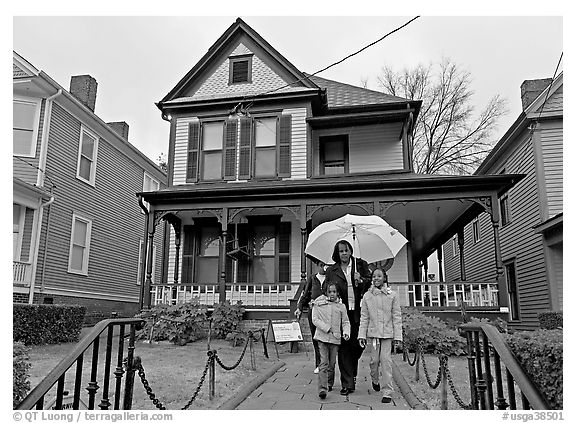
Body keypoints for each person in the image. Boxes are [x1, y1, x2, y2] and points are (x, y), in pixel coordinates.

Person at [324, 239, 371, 395]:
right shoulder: (332, 270)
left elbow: (372, 283)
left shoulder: (360, 265)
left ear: (351, 251)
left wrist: (361, 280)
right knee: (344, 348)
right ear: (337, 253)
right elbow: (326, 289)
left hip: (358, 311)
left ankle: (352, 373)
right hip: (341, 313)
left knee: (357, 346)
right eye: (341, 251)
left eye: (346, 250)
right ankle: (347, 383)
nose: (344, 253)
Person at [358, 267, 403, 403]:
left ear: (384, 278)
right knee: (374, 361)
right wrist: (362, 335)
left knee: (386, 361)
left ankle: (387, 391)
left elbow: (396, 316)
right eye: (374, 276)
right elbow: (364, 317)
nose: (376, 278)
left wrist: (398, 337)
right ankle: (375, 379)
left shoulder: (392, 295)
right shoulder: (367, 296)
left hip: (388, 333)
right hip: (374, 334)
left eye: (379, 276)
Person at [311, 282, 350, 399]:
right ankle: (322, 388)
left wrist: (346, 332)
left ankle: (329, 382)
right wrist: (326, 328)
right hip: (322, 337)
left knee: (331, 363)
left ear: (337, 293)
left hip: (335, 338)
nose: (332, 294)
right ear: (326, 292)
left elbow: (345, 322)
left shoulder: (341, 307)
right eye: (330, 292)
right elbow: (315, 319)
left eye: (334, 292)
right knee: (323, 362)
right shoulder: (319, 304)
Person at [295, 259, 326, 373]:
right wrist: (299, 307)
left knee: (325, 338)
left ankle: (325, 362)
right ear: (318, 266)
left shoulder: (330, 279)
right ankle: (318, 363)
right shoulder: (312, 278)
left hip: (326, 313)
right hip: (313, 312)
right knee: (315, 337)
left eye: (325, 266)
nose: (323, 268)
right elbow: (306, 294)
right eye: (321, 265)